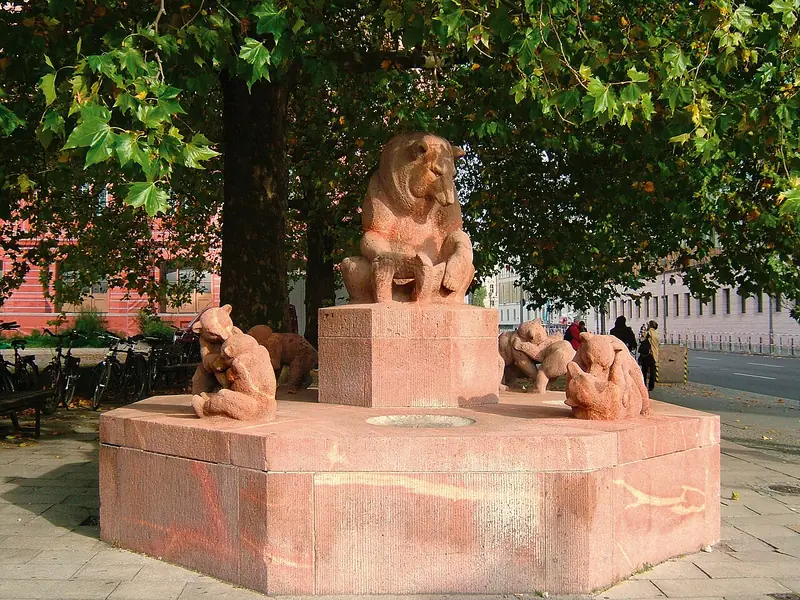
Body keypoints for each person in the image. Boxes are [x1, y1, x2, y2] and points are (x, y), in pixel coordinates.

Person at [638, 320, 660, 391]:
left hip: (647, 354)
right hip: (654, 354)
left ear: (650, 326)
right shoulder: (657, 334)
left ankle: (644, 385)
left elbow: (641, 339)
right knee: (652, 371)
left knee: (644, 370)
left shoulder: (648, 333)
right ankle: (651, 386)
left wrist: (643, 331)